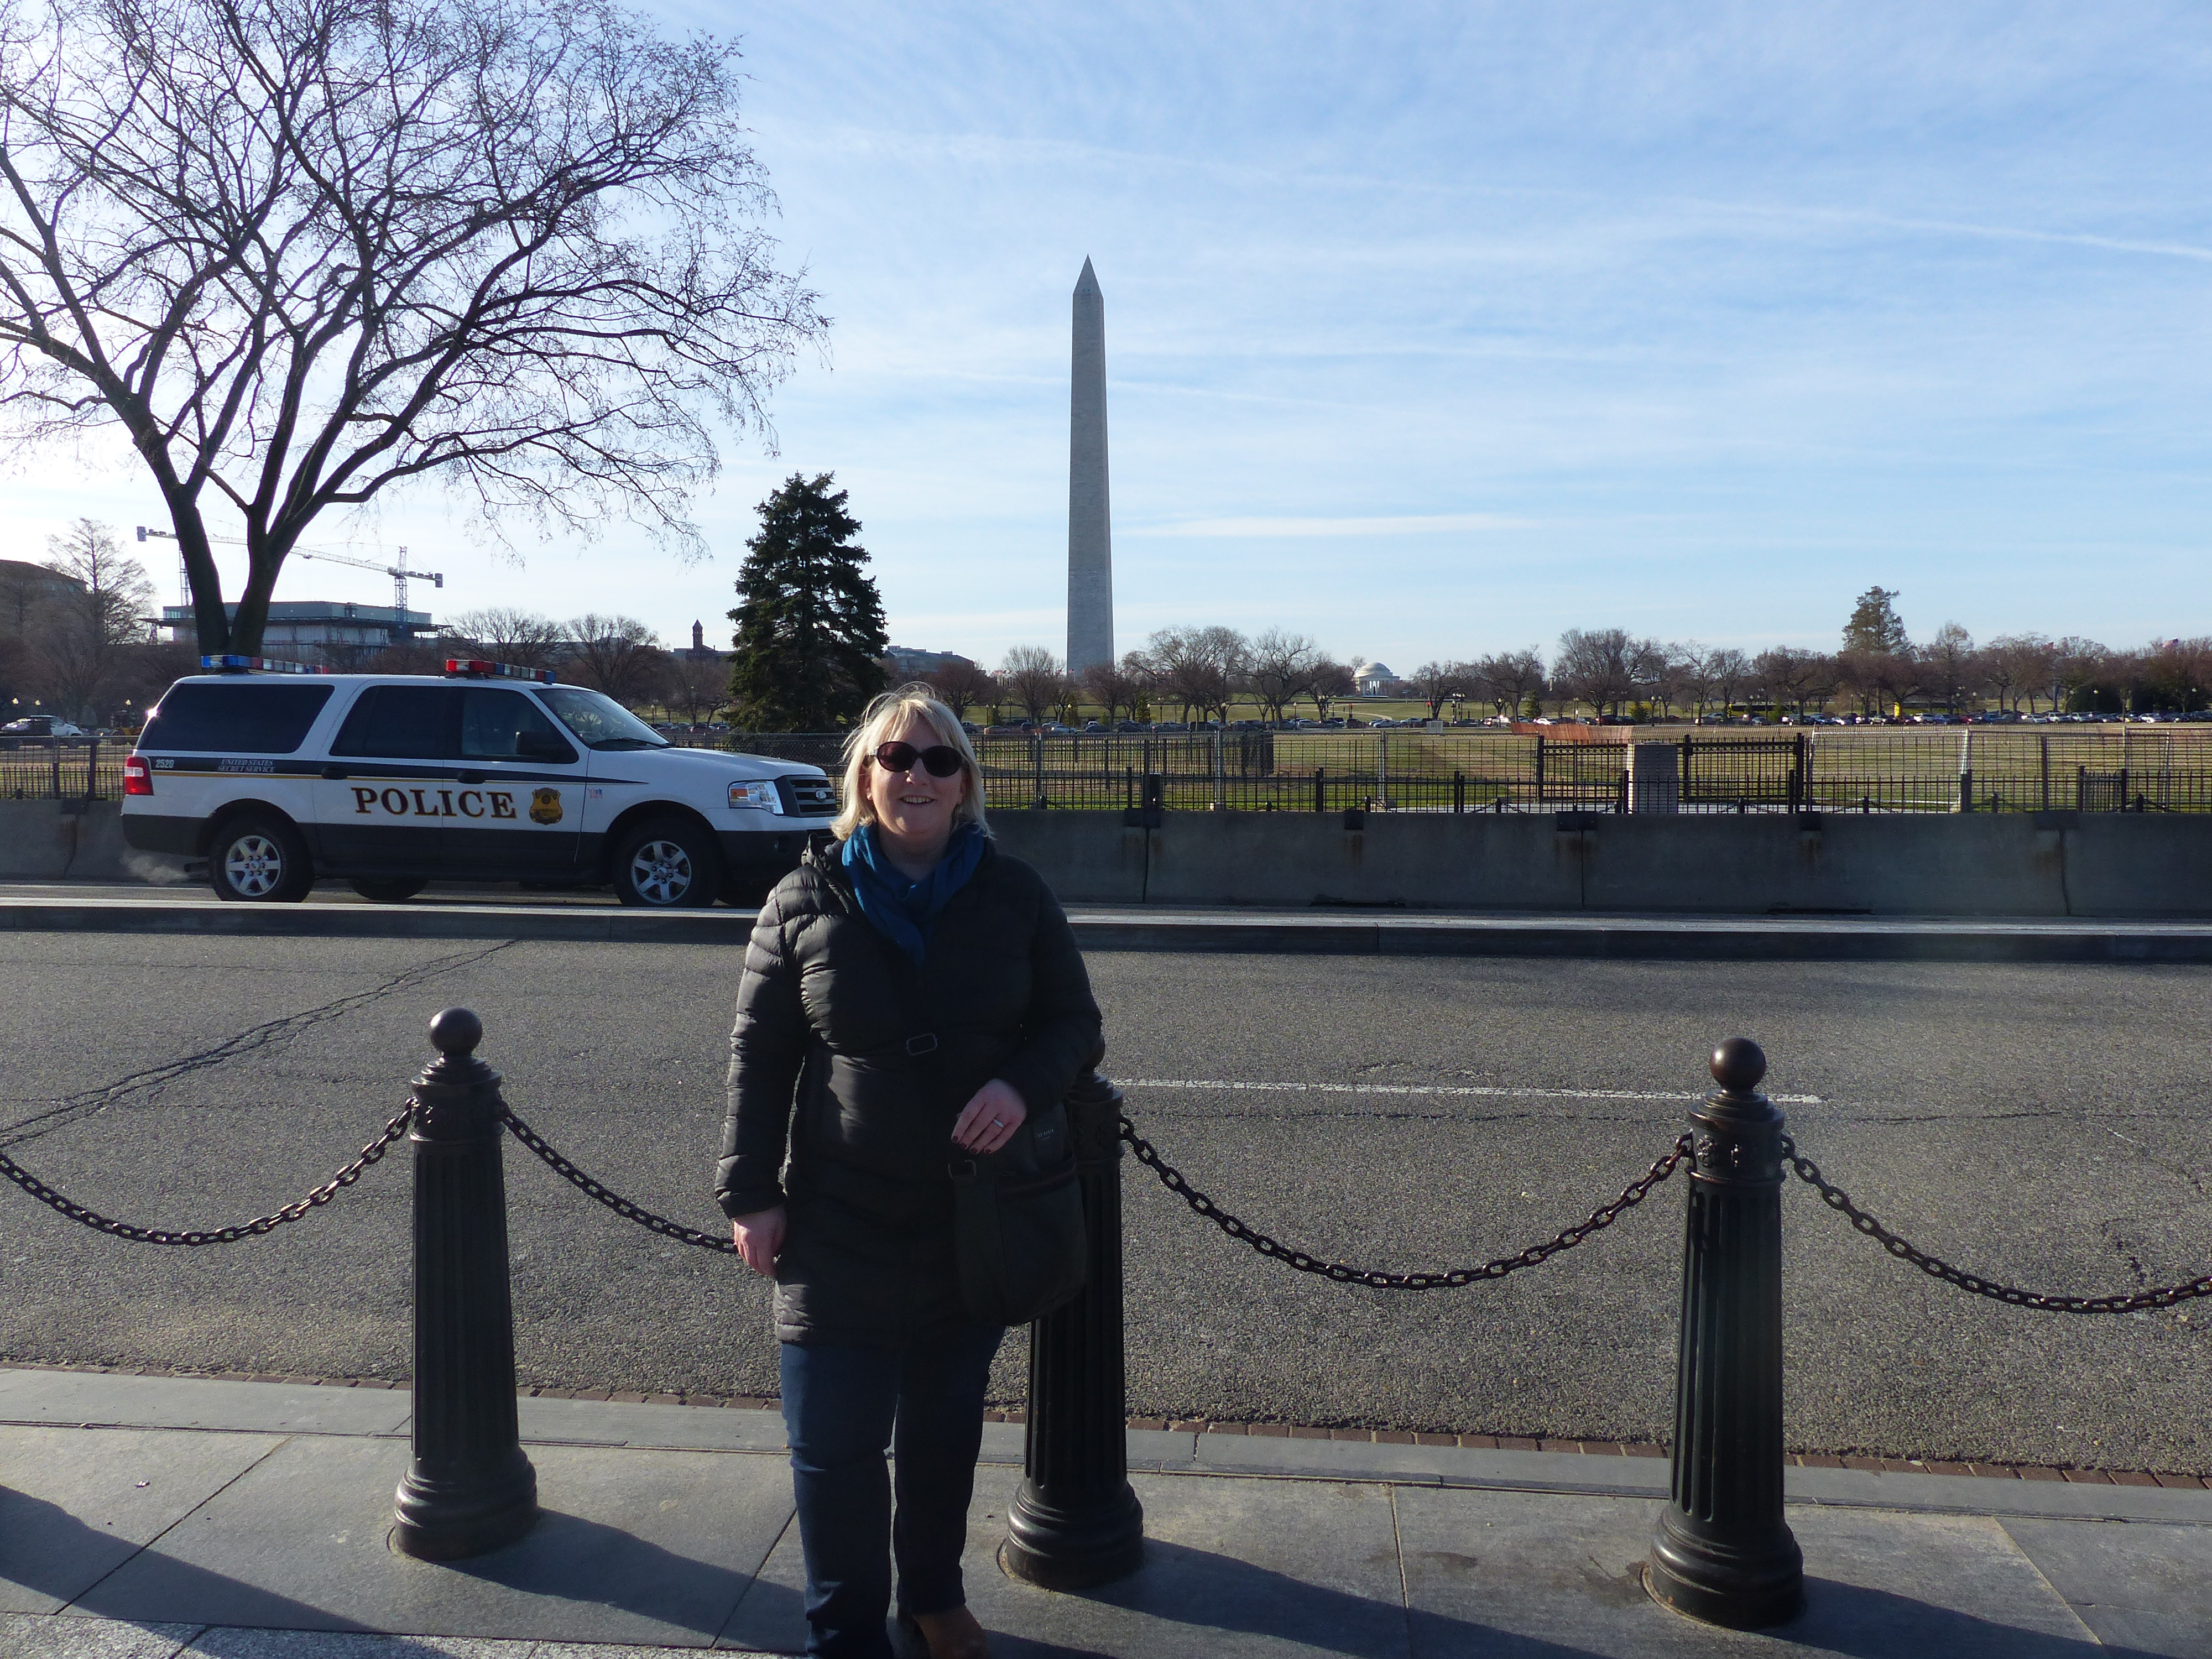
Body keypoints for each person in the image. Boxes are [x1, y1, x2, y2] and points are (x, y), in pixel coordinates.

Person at [715, 685, 1103, 1659]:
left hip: (970, 1220)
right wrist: (750, 1193)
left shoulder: (1015, 894)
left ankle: (932, 1594)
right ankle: (844, 1631)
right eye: (896, 758)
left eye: (939, 760)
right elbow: (760, 1057)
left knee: (941, 1431)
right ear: (864, 778)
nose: (916, 776)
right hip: (837, 1217)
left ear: (965, 782)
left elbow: (1074, 1023)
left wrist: (1020, 1085)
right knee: (832, 1446)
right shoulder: (802, 899)